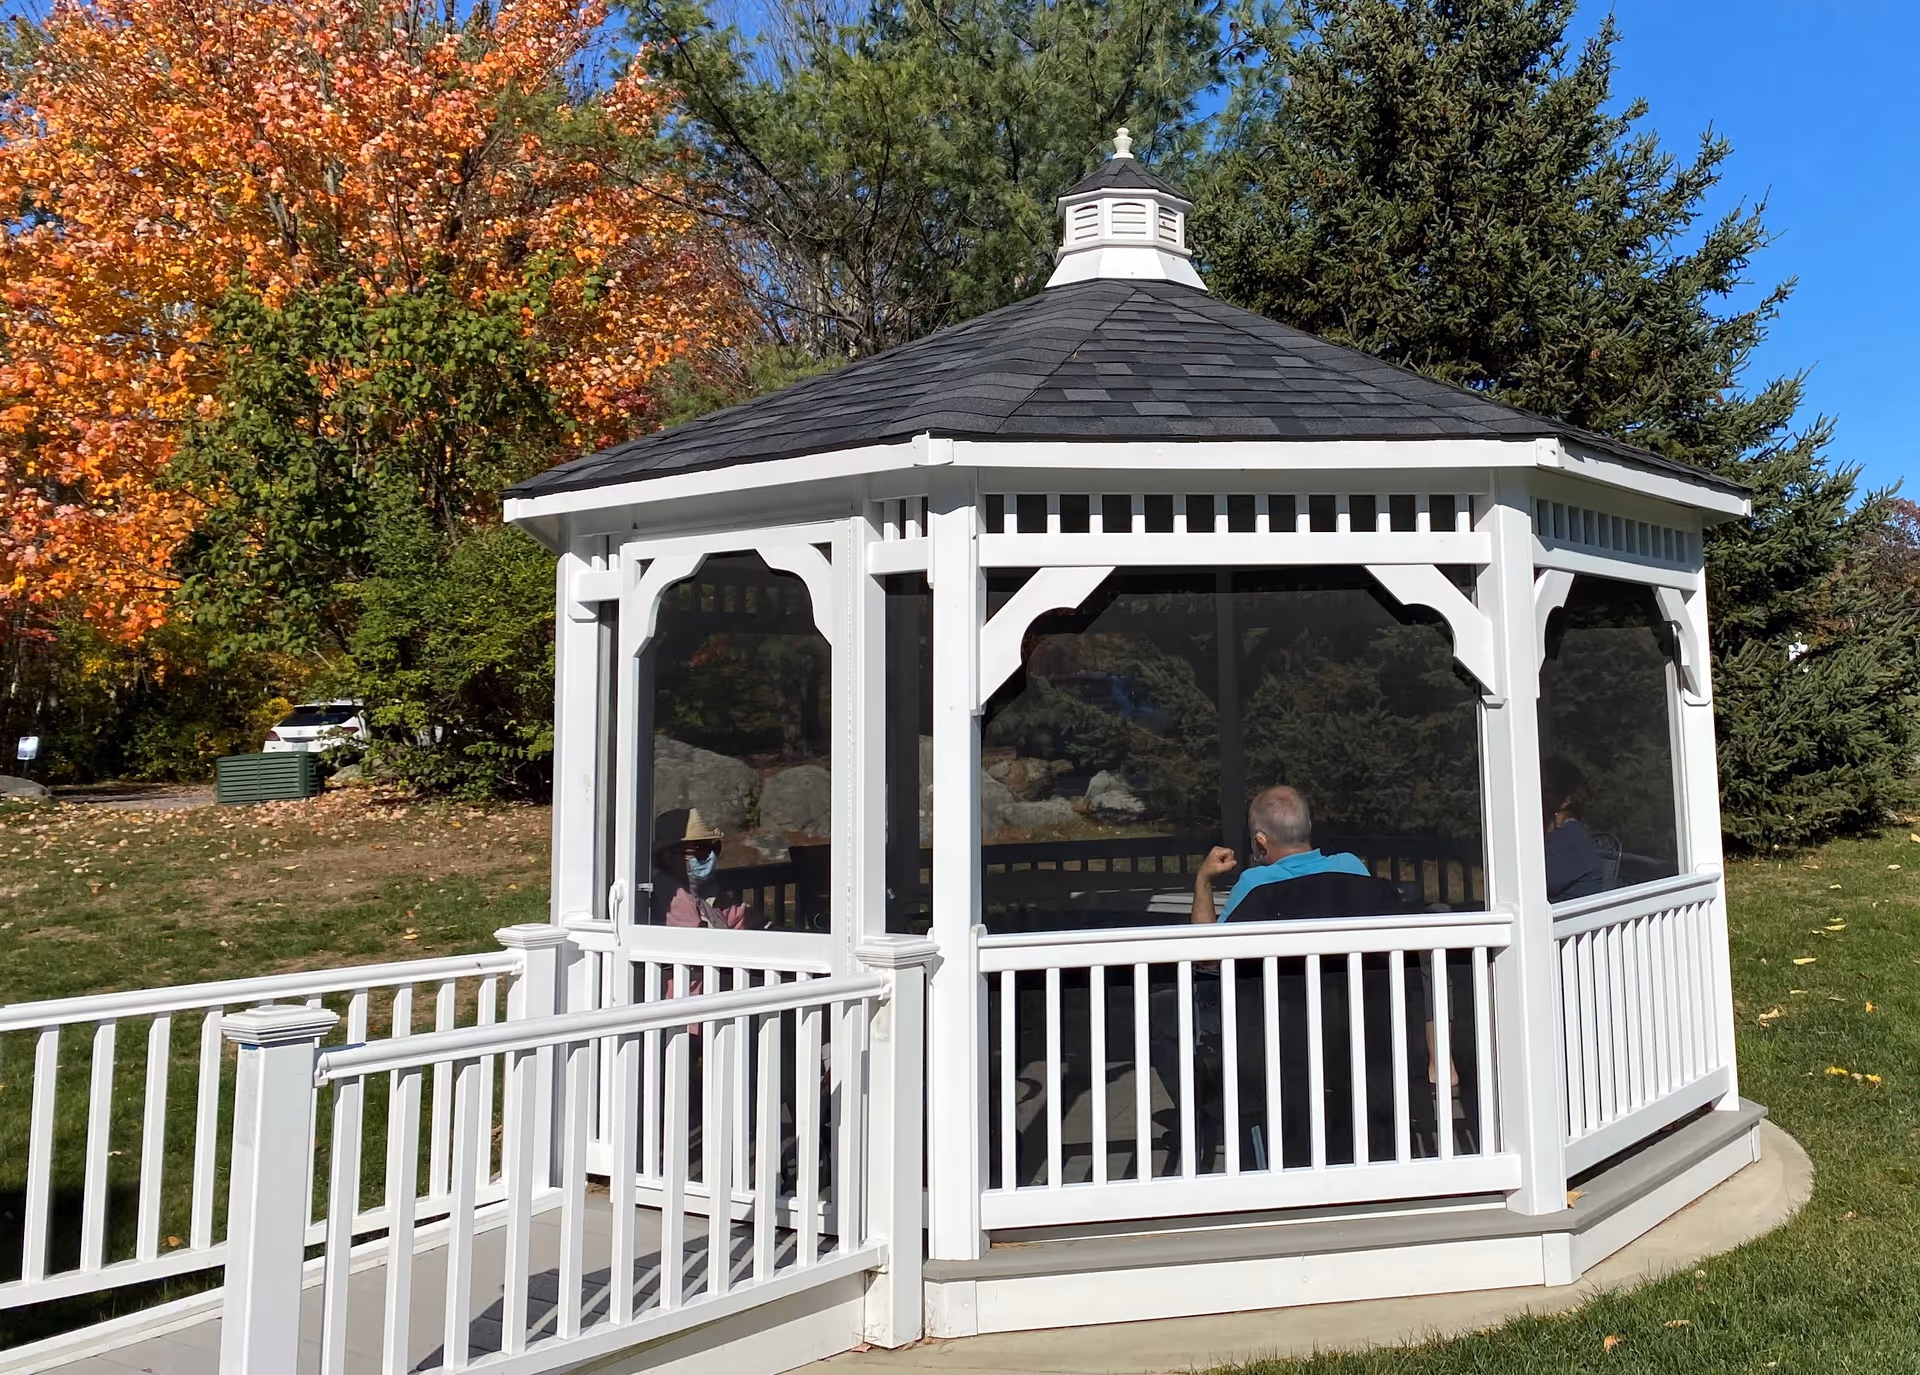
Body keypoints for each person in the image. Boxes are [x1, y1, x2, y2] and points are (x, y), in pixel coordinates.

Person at [1191, 785, 1406, 924]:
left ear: (1260, 842)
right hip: (1357, 993)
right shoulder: (1351, 868)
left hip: (1281, 995)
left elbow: (1208, 957)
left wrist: (1203, 880)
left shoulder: (1255, 885)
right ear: (1309, 826)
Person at [650, 808, 758, 930]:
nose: (711, 855)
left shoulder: (705, 890)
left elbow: (742, 918)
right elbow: (699, 942)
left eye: (715, 848)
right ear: (668, 856)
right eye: (700, 848)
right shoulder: (671, 899)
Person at [1542, 758, 1607, 902]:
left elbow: (1532, 882)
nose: (1539, 795)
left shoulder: (1571, 839)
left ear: (1566, 801)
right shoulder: (1558, 834)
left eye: (1546, 790)